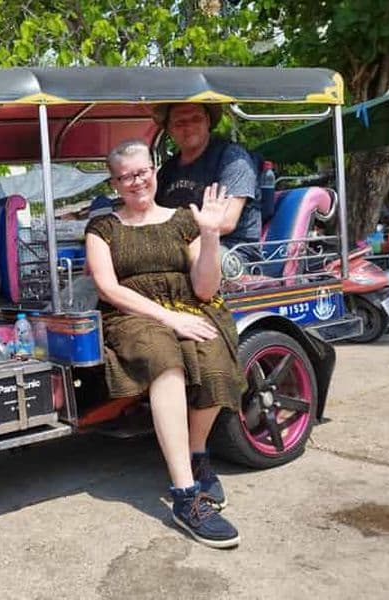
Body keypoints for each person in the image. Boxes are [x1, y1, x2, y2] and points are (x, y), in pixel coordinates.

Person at [85, 139, 246, 549]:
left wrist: (210, 236)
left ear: (155, 171)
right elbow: (107, 287)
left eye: (142, 172)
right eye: (125, 177)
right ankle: (185, 495)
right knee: (164, 359)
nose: (136, 182)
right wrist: (168, 318)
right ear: (115, 183)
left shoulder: (182, 220)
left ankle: (196, 453)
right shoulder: (102, 227)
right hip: (132, 313)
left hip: (188, 303)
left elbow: (206, 289)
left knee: (212, 358)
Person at [155, 103, 261, 262]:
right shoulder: (167, 170)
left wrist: (170, 241)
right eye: (179, 122)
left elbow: (225, 222)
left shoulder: (232, 158)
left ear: (208, 121)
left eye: (196, 119)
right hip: (178, 244)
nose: (188, 127)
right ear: (169, 129)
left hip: (232, 252)